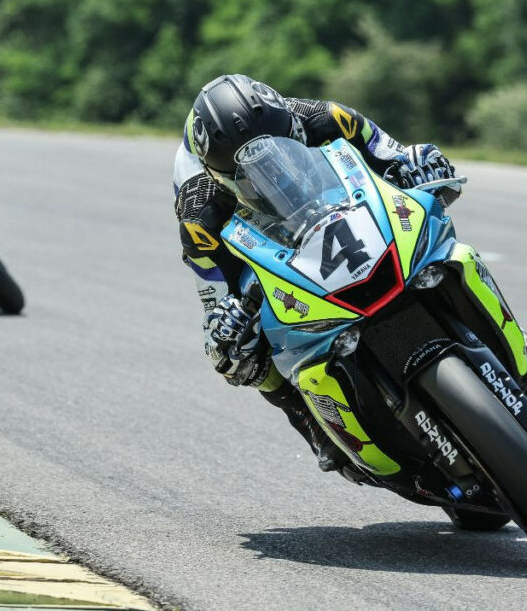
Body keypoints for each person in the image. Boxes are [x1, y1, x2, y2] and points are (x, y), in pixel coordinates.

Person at [173, 74, 457, 473]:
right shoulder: (198, 210)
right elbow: (215, 301)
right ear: (216, 173)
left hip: (336, 200)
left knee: (427, 218)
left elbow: (394, 155)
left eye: (278, 153)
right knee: (242, 348)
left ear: (291, 125)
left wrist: (417, 163)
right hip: (247, 231)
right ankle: (307, 418)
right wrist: (226, 321)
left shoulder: (328, 116)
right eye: (249, 171)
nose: (271, 174)